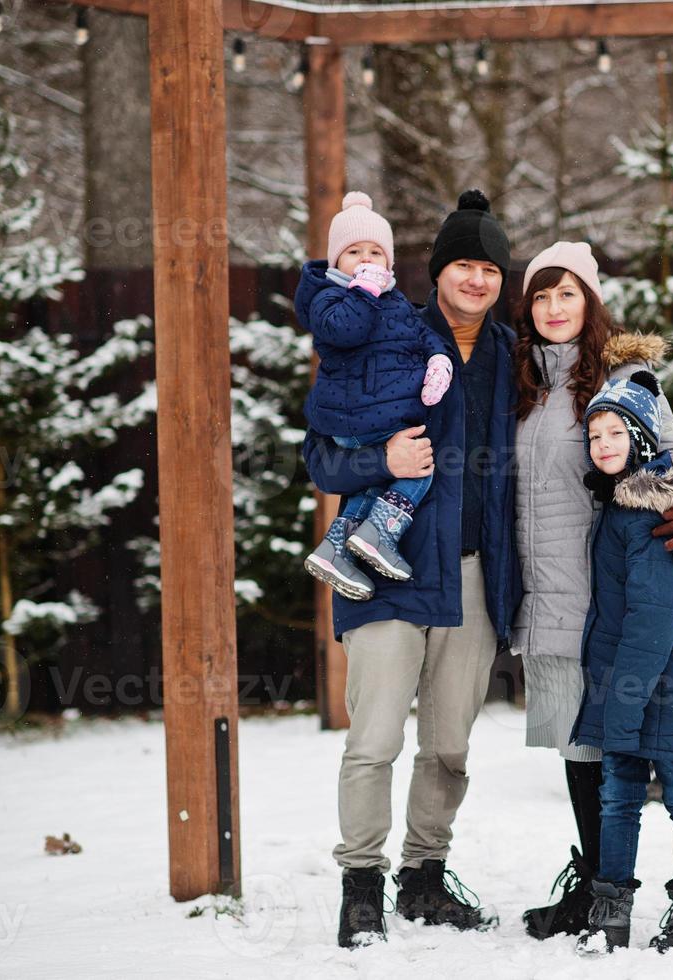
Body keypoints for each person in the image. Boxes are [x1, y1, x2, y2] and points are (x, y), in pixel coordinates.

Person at [301, 189, 521, 948]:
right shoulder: (385, 328)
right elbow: (320, 453)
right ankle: (360, 883)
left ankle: (424, 876)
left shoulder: (510, 355)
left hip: (471, 574)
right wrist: (379, 459)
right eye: (464, 264)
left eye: (490, 267)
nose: (477, 279)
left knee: (450, 747)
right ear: (436, 272)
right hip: (385, 565)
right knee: (375, 740)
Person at [512, 241, 673, 940]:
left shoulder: (625, 380)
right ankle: (593, 886)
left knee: (615, 746)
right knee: (578, 744)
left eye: (567, 293)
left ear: (590, 300)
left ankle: (615, 892)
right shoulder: (514, 381)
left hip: (614, 585)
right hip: (544, 589)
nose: (553, 308)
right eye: (540, 296)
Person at [570, 372, 673, 954]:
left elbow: (653, 620)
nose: (603, 444)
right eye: (594, 435)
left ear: (643, 440)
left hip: (664, 684)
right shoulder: (620, 505)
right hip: (632, 681)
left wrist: (622, 701)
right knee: (618, 796)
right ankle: (611, 915)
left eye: (616, 432)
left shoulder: (657, 510)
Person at [297, 191, 455, 599]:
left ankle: (336, 549)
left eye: (375, 253)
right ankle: (381, 534)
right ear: (336, 262)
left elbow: (422, 335)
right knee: (417, 468)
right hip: (356, 415)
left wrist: (439, 361)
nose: (367, 260)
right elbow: (343, 330)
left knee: (371, 485)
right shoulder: (329, 298)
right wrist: (363, 291)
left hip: (378, 418)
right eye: (354, 252)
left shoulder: (396, 302)